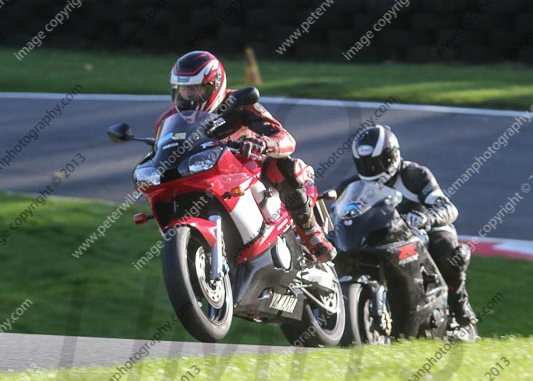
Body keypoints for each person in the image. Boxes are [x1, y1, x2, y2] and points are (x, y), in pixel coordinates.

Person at [154, 50, 336, 263]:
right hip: (205, 175)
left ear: (215, 85)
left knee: (284, 166)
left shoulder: (240, 103)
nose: (190, 96)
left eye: (197, 88)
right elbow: (161, 153)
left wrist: (264, 142)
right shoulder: (168, 120)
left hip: (250, 170)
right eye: (184, 90)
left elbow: (284, 138)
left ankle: (311, 234)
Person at [336, 124, 477, 327]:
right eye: (364, 163)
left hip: (420, 232)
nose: (370, 169)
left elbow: (447, 207)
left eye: (375, 162)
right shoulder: (351, 187)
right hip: (381, 236)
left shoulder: (414, 175)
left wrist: (427, 218)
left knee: (446, 247)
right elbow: (339, 214)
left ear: (391, 156)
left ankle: (459, 306)